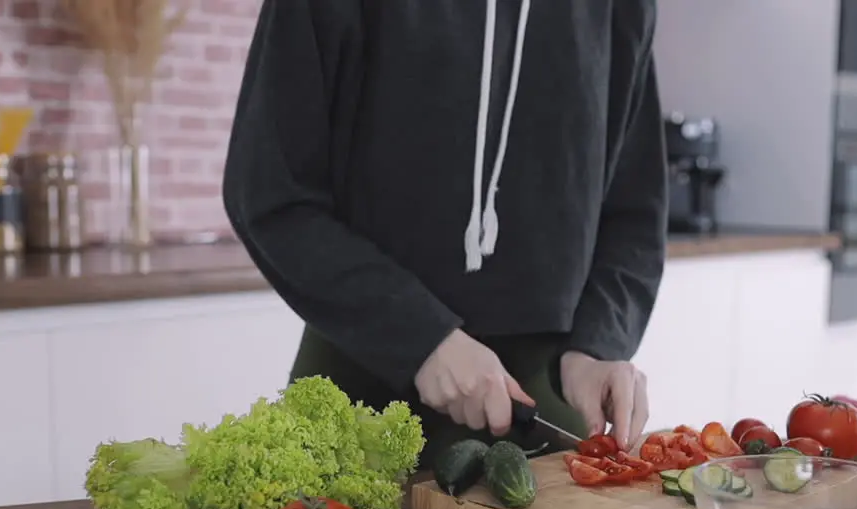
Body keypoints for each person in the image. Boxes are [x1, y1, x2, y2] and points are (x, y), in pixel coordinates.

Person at [223, 0, 667, 468]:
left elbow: (634, 216)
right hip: (363, 376)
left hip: (546, 396)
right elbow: (272, 194)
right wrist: (420, 337)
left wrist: (598, 346)